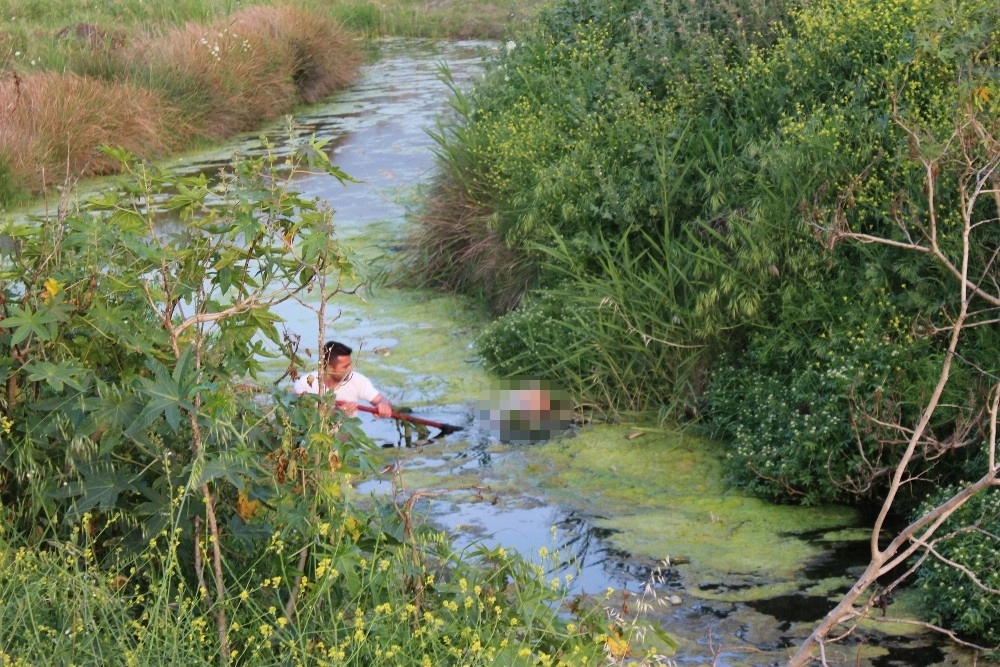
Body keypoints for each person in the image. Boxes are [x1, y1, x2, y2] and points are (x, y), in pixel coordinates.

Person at [293, 341, 393, 418]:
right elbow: (301, 413)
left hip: (345, 437)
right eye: (345, 367)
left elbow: (380, 400)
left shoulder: (357, 380)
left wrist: (383, 406)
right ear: (329, 368)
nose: (350, 369)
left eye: (350, 364)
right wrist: (335, 412)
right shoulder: (306, 382)